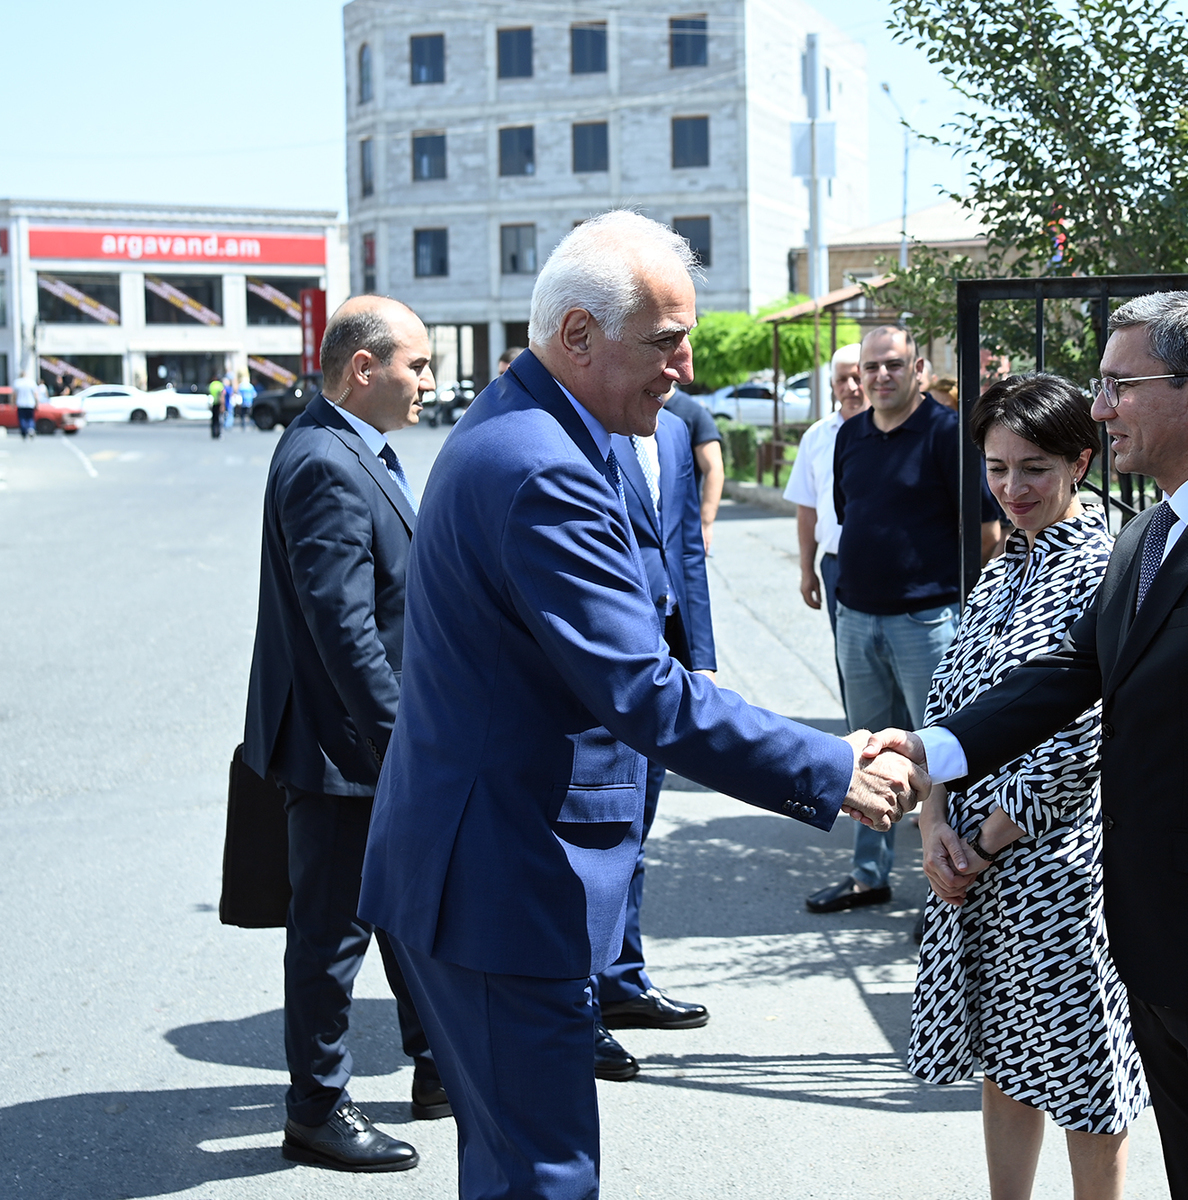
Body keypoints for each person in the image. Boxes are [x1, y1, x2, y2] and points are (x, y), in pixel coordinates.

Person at [357, 210, 924, 1200]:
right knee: (541, 1179)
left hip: (480, 870)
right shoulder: (541, 464)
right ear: (578, 334)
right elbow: (641, 689)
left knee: (513, 1169)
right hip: (498, 884)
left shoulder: (532, 430)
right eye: (667, 341)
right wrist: (832, 765)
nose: (686, 368)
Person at [880, 291, 1188, 1200]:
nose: (1099, 410)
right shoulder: (1151, 531)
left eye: (1118, 386)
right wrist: (929, 749)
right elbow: (1071, 671)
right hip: (1159, 953)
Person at [909, 373, 1146, 1200]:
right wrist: (933, 823)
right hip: (967, 862)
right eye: (997, 467)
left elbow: (1085, 735)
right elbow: (947, 701)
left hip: (1056, 870)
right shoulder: (1005, 562)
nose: (1012, 487)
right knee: (1004, 1059)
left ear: (1081, 461)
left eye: (1034, 468)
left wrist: (979, 844)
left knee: (1083, 1075)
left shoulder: (1106, 566)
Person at [241, 295, 444, 1173]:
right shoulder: (326, 460)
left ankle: (438, 1065)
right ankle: (316, 1109)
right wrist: (403, 744)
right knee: (331, 935)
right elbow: (344, 629)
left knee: (403, 911)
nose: (429, 382)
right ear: (365, 368)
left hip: (360, 743)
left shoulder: (349, 447)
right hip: (343, 750)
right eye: (418, 365)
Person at [803, 325, 1002, 916]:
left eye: (893, 364)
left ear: (917, 369)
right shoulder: (850, 435)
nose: (881, 375)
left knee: (942, 757)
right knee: (865, 756)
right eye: (871, 367)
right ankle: (869, 875)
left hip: (926, 622)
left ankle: (948, 889)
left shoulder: (947, 433)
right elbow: (849, 514)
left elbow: (986, 533)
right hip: (856, 617)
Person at [590, 400, 717, 1082]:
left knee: (635, 833)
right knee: (596, 839)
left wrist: (702, 656)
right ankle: (581, 1006)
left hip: (665, 659)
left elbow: (685, 544)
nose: (681, 365)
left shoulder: (673, 429)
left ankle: (622, 980)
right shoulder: (588, 425)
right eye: (666, 348)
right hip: (607, 661)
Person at [784, 343, 866, 644]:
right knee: (848, 659)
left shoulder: (892, 433)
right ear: (832, 385)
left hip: (883, 562)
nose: (851, 387)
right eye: (842, 380)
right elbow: (807, 508)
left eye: (857, 378)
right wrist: (807, 569)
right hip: (835, 563)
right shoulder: (816, 436)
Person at [659, 387, 725, 552]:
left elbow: (714, 469)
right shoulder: (632, 410)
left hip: (682, 522)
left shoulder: (693, 412)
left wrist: (705, 523)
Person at [12, 369, 39, 439]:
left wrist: (12, 403)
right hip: (30, 404)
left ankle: (24, 431)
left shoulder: (17, 382)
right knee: (30, 418)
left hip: (20, 404)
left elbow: (14, 395)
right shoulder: (31, 382)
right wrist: (37, 403)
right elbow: (35, 394)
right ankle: (31, 428)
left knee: (22, 418)